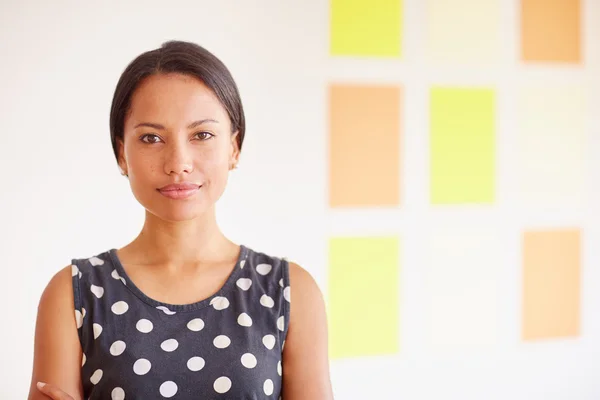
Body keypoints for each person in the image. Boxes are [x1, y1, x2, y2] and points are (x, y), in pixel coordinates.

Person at [28, 40, 333, 400]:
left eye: (202, 135)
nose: (178, 162)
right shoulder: (72, 293)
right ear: (122, 154)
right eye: (151, 138)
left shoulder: (290, 292)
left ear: (233, 148)